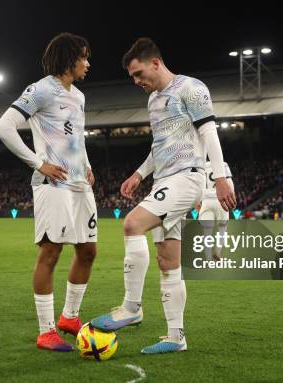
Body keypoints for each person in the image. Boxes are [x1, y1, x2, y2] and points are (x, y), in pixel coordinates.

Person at [90, 38, 236, 354]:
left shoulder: (192, 89)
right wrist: (139, 174)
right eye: (132, 77)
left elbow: (209, 132)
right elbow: (160, 148)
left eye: (139, 73)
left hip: (187, 178)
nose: (136, 81)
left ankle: (131, 307)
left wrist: (221, 177)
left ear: (156, 63)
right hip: (163, 181)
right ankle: (176, 337)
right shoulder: (154, 101)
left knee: (131, 224)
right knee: (168, 261)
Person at [0, 32, 96, 352]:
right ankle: (46, 330)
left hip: (80, 183)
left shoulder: (78, 96)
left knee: (88, 252)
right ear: (69, 59)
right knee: (51, 252)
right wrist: (38, 163)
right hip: (53, 185)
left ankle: (69, 317)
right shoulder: (40, 90)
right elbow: (3, 127)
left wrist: (88, 164)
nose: (88, 64)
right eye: (84, 57)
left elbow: (75, 137)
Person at [199, 159, 234, 260]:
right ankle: (218, 253)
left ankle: (208, 259)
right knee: (222, 228)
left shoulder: (201, 167)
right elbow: (229, 182)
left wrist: (197, 202)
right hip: (220, 200)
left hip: (206, 201)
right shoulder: (223, 164)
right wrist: (232, 198)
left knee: (207, 231)